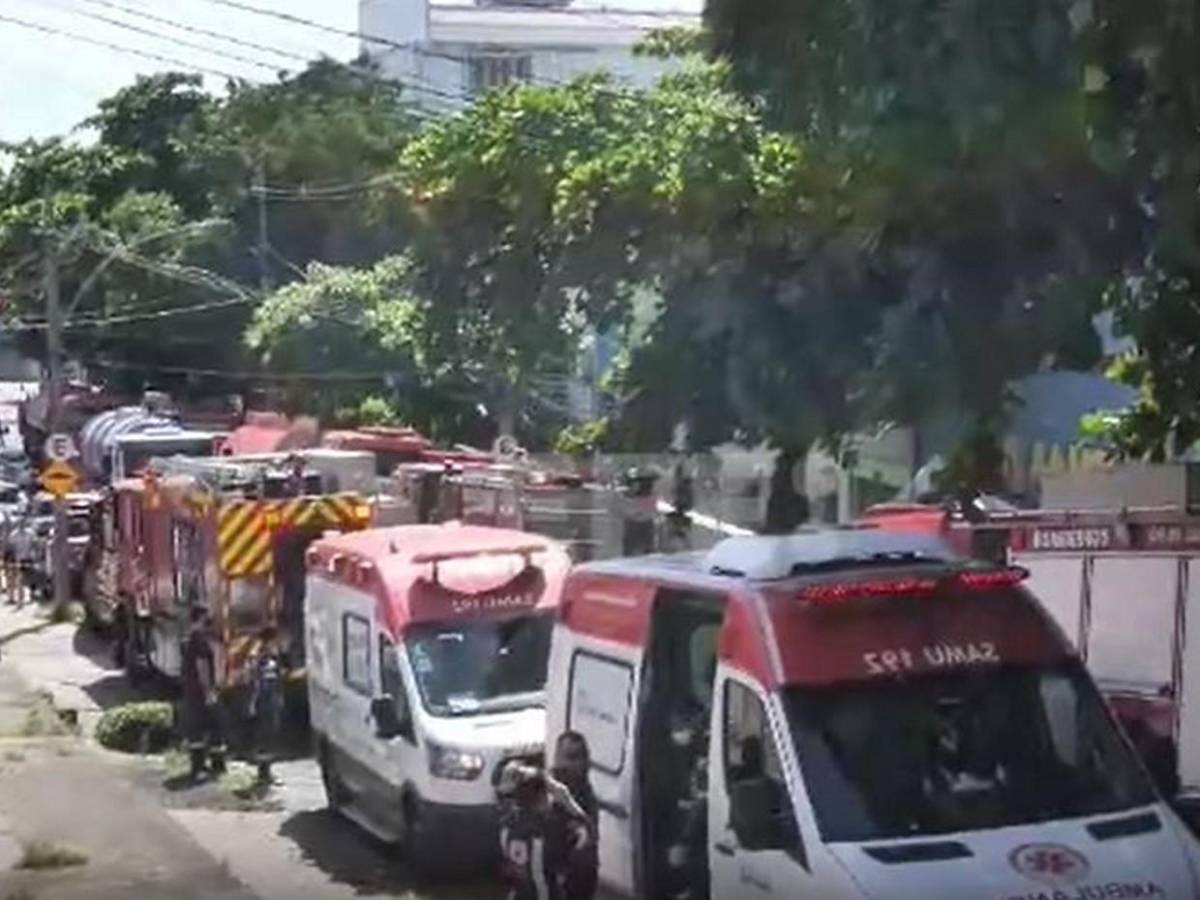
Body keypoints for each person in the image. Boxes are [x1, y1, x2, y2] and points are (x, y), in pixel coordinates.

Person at [498, 762, 592, 900]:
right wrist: (565, 797)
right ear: (541, 795)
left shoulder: (505, 825)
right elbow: (585, 829)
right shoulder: (550, 829)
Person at [551, 732, 599, 900]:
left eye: (582, 756)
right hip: (560, 879)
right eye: (571, 757)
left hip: (584, 876)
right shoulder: (550, 794)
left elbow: (591, 833)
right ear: (558, 759)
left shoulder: (585, 790)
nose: (578, 763)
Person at [180, 607, 225, 780]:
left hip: (191, 691)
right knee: (216, 726)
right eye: (207, 618)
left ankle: (197, 767)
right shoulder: (200, 640)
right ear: (201, 618)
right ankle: (217, 765)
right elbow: (202, 666)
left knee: (196, 730)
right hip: (202, 692)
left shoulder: (187, 639)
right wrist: (209, 691)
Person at [248, 626, 284, 786]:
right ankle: (263, 774)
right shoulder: (261, 659)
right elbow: (256, 683)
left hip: (272, 702)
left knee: (270, 738)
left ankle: (267, 772)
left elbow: (277, 681)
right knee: (265, 738)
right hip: (264, 703)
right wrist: (252, 703)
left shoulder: (272, 658)